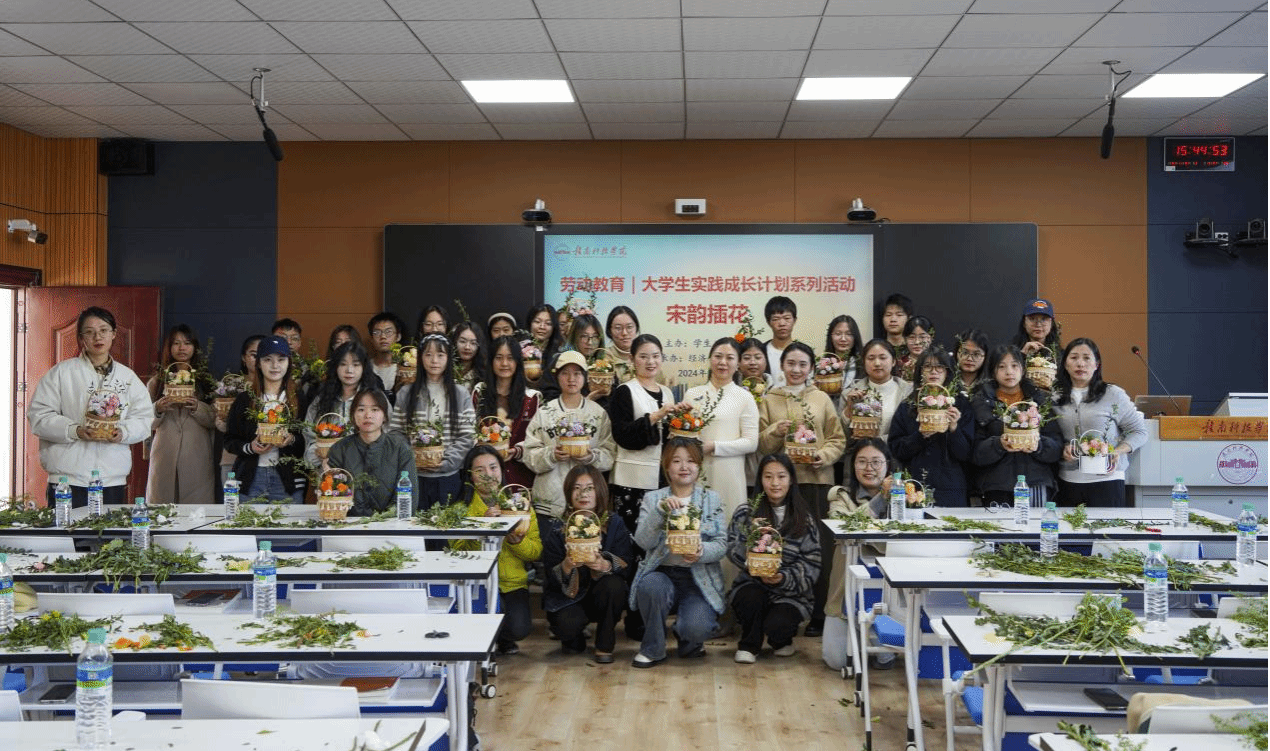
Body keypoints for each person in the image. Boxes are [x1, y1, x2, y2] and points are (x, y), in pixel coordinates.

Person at [756, 341, 846, 637]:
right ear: (782, 366)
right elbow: (761, 445)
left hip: (817, 482)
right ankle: (783, 612)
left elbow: (837, 439)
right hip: (780, 486)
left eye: (802, 364)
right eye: (791, 363)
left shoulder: (821, 398)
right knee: (780, 545)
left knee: (821, 548)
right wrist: (775, 431)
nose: (796, 369)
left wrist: (824, 455)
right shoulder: (770, 398)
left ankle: (820, 613)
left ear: (811, 368)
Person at [29, 306, 154, 507]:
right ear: (81, 338)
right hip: (67, 479)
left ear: (114, 334)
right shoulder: (62, 373)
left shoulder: (127, 378)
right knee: (66, 528)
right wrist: (75, 430)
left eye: (104, 330)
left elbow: (144, 419)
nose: (98, 337)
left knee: (108, 528)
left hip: (111, 479)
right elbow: (39, 416)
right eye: (89, 332)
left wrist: (122, 432)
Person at [629, 438, 727, 668]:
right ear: (666, 467)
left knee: (696, 628)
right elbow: (643, 541)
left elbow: (722, 544)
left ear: (699, 466)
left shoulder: (712, 499)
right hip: (661, 573)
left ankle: (689, 640)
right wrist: (659, 512)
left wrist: (701, 551)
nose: (684, 467)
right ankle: (653, 648)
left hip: (697, 579)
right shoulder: (653, 499)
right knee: (650, 586)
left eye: (691, 461)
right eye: (676, 461)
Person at [727, 454, 821, 663]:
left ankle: (782, 640)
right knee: (748, 598)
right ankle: (749, 644)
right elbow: (731, 548)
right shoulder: (746, 512)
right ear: (760, 480)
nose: (775, 483)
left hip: (791, 593)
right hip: (753, 583)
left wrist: (783, 577)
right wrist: (751, 543)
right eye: (768, 477)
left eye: (781, 476)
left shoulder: (803, 518)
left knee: (778, 624)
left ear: (791, 480)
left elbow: (812, 563)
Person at [453, 445, 541, 656]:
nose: (488, 475)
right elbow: (455, 553)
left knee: (518, 628)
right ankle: (483, 638)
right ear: (470, 476)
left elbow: (535, 552)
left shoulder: (520, 505)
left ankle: (502, 637)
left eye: (493, 468)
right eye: (480, 470)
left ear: (502, 470)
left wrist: (516, 542)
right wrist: (481, 529)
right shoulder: (460, 508)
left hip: (511, 583)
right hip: (476, 583)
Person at [541, 465, 634, 663]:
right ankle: (574, 638)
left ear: (599, 491)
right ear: (568, 492)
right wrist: (566, 566)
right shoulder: (558, 527)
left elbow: (627, 563)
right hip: (569, 599)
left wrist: (605, 565)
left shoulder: (614, 523)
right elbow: (549, 576)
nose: (583, 494)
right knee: (568, 632)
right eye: (576, 488)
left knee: (615, 585)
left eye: (589, 488)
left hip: (601, 594)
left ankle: (604, 645)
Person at [822, 438, 897, 671]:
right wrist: (880, 499)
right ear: (853, 466)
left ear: (888, 465)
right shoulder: (840, 495)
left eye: (876, 462)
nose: (869, 468)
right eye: (862, 462)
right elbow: (844, 528)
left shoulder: (904, 497)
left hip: (887, 592)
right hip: (846, 590)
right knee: (836, 661)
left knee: (885, 658)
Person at [521, 351, 616, 525]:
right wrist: (551, 455)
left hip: (588, 502)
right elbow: (529, 454)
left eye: (577, 373)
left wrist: (591, 457)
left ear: (585, 377)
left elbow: (610, 454)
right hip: (551, 498)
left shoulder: (598, 413)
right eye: (565, 373)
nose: (571, 379)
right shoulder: (544, 413)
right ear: (557, 377)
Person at [1052, 338, 1148, 507]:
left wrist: (1117, 451)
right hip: (1068, 481)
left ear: (1097, 364)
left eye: (1087, 358)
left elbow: (1139, 431)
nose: (1080, 363)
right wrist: (1062, 449)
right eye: (1074, 358)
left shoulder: (1113, 394)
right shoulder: (1054, 397)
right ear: (1065, 364)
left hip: (1108, 481)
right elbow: (1051, 436)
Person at [607, 334, 686, 535]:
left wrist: (683, 418)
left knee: (659, 536)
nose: (651, 362)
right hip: (631, 480)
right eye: (643, 356)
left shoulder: (667, 392)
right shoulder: (625, 391)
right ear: (632, 359)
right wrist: (655, 416)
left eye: (656, 356)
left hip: (662, 478)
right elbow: (621, 435)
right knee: (631, 537)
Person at [970, 344, 1063, 506]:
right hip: (996, 485)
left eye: (1014, 365)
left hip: (1035, 483)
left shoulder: (1041, 400)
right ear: (993, 371)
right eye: (1002, 367)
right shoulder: (981, 402)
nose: (1009, 372)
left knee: (1036, 523)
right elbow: (974, 453)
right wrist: (998, 444)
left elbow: (1056, 448)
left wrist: (1038, 446)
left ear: (1023, 369)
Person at [389, 334, 475, 508]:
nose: (434, 360)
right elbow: (396, 432)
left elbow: (467, 435)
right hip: (414, 476)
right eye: (428, 355)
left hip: (449, 476)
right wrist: (413, 458)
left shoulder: (460, 394)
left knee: (446, 522)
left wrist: (446, 462)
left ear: (448, 358)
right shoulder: (406, 393)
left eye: (440, 355)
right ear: (420, 358)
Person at [685, 338, 760, 525]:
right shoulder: (692, 394)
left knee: (728, 524)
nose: (723, 362)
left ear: (738, 364)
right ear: (710, 359)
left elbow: (751, 442)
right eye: (718, 356)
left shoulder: (745, 397)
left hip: (730, 473)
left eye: (730, 358)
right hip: (695, 470)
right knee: (694, 523)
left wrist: (714, 446)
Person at [224, 335, 306, 502]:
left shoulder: (299, 399)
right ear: (259, 364)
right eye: (268, 359)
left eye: (281, 359)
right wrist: (251, 447)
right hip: (251, 478)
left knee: (288, 520)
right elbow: (229, 440)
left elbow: (307, 440)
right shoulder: (245, 399)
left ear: (289, 363)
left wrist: (290, 439)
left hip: (288, 480)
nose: (275, 365)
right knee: (247, 520)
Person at [887, 349, 974, 507]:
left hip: (951, 487)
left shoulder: (961, 405)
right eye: (927, 366)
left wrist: (954, 428)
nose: (934, 371)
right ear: (920, 372)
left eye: (940, 367)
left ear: (948, 372)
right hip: (915, 487)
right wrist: (920, 436)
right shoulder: (908, 405)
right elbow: (896, 449)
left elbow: (966, 454)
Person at [145, 324, 216, 504]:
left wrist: (197, 407)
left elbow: (215, 420)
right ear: (169, 348)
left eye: (187, 343)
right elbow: (144, 422)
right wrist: (158, 408)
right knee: (162, 508)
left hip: (196, 453)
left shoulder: (206, 381)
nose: (182, 348)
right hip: (165, 452)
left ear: (195, 347)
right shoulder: (157, 382)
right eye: (176, 343)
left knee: (196, 509)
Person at [326, 388, 417, 516]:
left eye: (375, 410)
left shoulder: (400, 449)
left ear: (385, 416)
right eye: (361, 410)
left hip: (390, 524)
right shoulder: (339, 449)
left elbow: (407, 499)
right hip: (348, 523)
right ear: (353, 415)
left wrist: (383, 521)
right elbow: (332, 498)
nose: (368, 415)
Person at [473, 335, 541, 488]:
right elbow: (470, 432)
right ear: (491, 361)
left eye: (510, 358)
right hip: (484, 478)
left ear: (517, 362)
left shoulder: (531, 399)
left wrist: (517, 451)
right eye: (499, 358)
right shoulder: (479, 393)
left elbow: (537, 440)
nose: (504, 363)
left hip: (519, 478)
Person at [303, 340, 380, 470]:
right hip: (328, 473)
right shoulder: (321, 400)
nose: (349, 370)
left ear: (364, 367)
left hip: (366, 472)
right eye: (343, 364)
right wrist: (318, 454)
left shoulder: (376, 399)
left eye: (356, 365)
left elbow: (385, 438)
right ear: (335, 367)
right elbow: (309, 436)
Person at [842, 339, 913, 441]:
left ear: (893, 361)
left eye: (883, 358)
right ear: (864, 362)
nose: (877, 363)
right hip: (860, 450)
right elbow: (842, 436)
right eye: (871, 358)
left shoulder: (909, 392)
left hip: (896, 451)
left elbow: (910, 432)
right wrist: (849, 409)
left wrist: (878, 441)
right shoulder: (849, 394)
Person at [216, 334, 264, 485]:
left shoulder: (276, 388)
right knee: (232, 499)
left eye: (263, 355)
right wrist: (226, 420)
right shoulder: (231, 385)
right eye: (253, 355)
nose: (258, 360)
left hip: (267, 458)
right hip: (233, 458)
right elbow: (219, 423)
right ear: (244, 357)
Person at [738, 337, 772, 491]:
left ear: (766, 361)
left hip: (770, 465)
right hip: (740, 464)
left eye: (758, 357)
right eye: (746, 358)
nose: (753, 362)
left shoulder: (776, 391)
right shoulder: (731, 390)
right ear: (738, 363)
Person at [367, 311, 407, 399]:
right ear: (371, 339)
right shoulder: (365, 367)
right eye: (377, 332)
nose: (383, 337)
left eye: (388, 332)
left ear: (398, 337)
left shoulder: (406, 368)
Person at [524, 303, 564, 386]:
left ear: (554, 327)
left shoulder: (560, 353)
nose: (542, 327)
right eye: (537, 322)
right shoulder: (521, 348)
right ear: (530, 323)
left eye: (548, 323)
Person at [763, 296, 797, 388]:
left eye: (787, 318)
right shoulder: (761, 351)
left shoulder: (803, 352)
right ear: (768, 322)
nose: (782, 323)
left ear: (794, 320)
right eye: (776, 319)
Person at [824, 314, 863, 387]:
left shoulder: (863, 364)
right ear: (830, 337)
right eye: (838, 334)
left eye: (849, 334)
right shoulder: (823, 364)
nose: (843, 339)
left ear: (855, 337)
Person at [450, 321, 486, 395]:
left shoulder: (483, 375)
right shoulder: (446, 369)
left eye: (473, 343)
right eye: (462, 341)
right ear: (455, 342)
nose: (467, 347)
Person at [895, 315, 934, 382]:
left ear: (930, 338)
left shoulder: (939, 362)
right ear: (905, 339)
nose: (917, 342)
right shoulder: (898, 364)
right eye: (912, 337)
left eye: (922, 337)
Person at [953, 328, 990, 398]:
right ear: (956, 353)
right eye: (965, 352)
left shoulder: (991, 386)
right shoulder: (946, 382)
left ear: (985, 357)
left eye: (976, 354)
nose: (969, 358)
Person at [880, 293, 913, 359]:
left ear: (909, 319)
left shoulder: (915, 349)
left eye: (899, 315)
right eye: (888, 315)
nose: (893, 319)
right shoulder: (877, 349)